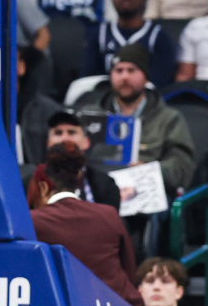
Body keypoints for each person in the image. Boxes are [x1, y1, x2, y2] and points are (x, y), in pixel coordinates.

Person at [30, 143, 142, 306]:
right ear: (79, 181)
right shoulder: (109, 215)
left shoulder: (33, 221)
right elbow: (130, 272)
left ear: (44, 187)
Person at [74, 45, 197, 194]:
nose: (125, 77)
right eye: (119, 70)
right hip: (94, 190)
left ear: (146, 78)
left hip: (145, 192)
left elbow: (182, 167)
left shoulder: (169, 119)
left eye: (132, 70)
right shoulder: (88, 115)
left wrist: (149, 171)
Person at [86, 0, 177, 87]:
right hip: (105, 99)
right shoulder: (99, 34)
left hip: (146, 101)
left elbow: (160, 83)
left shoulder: (157, 36)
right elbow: (87, 78)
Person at [26, 112, 123, 210]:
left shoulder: (105, 185)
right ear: (48, 143)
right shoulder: (29, 184)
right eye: (58, 133)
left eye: (72, 132)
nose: (65, 138)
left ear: (86, 142)